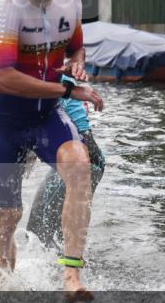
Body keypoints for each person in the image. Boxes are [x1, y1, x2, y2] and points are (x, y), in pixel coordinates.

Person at [0, 0, 104, 301]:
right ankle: (3, 291)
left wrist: (77, 64)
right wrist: (70, 88)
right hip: (5, 121)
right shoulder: (5, 8)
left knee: (81, 167)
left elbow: (77, 48)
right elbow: (4, 79)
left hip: (47, 116)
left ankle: (72, 278)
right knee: (8, 217)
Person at [26, 74, 106, 248]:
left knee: (36, 234)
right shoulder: (50, 77)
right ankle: (69, 272)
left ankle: (63, 273)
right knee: (66, 234)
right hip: (89, 158)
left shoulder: (48, 81)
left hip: (83, 158)